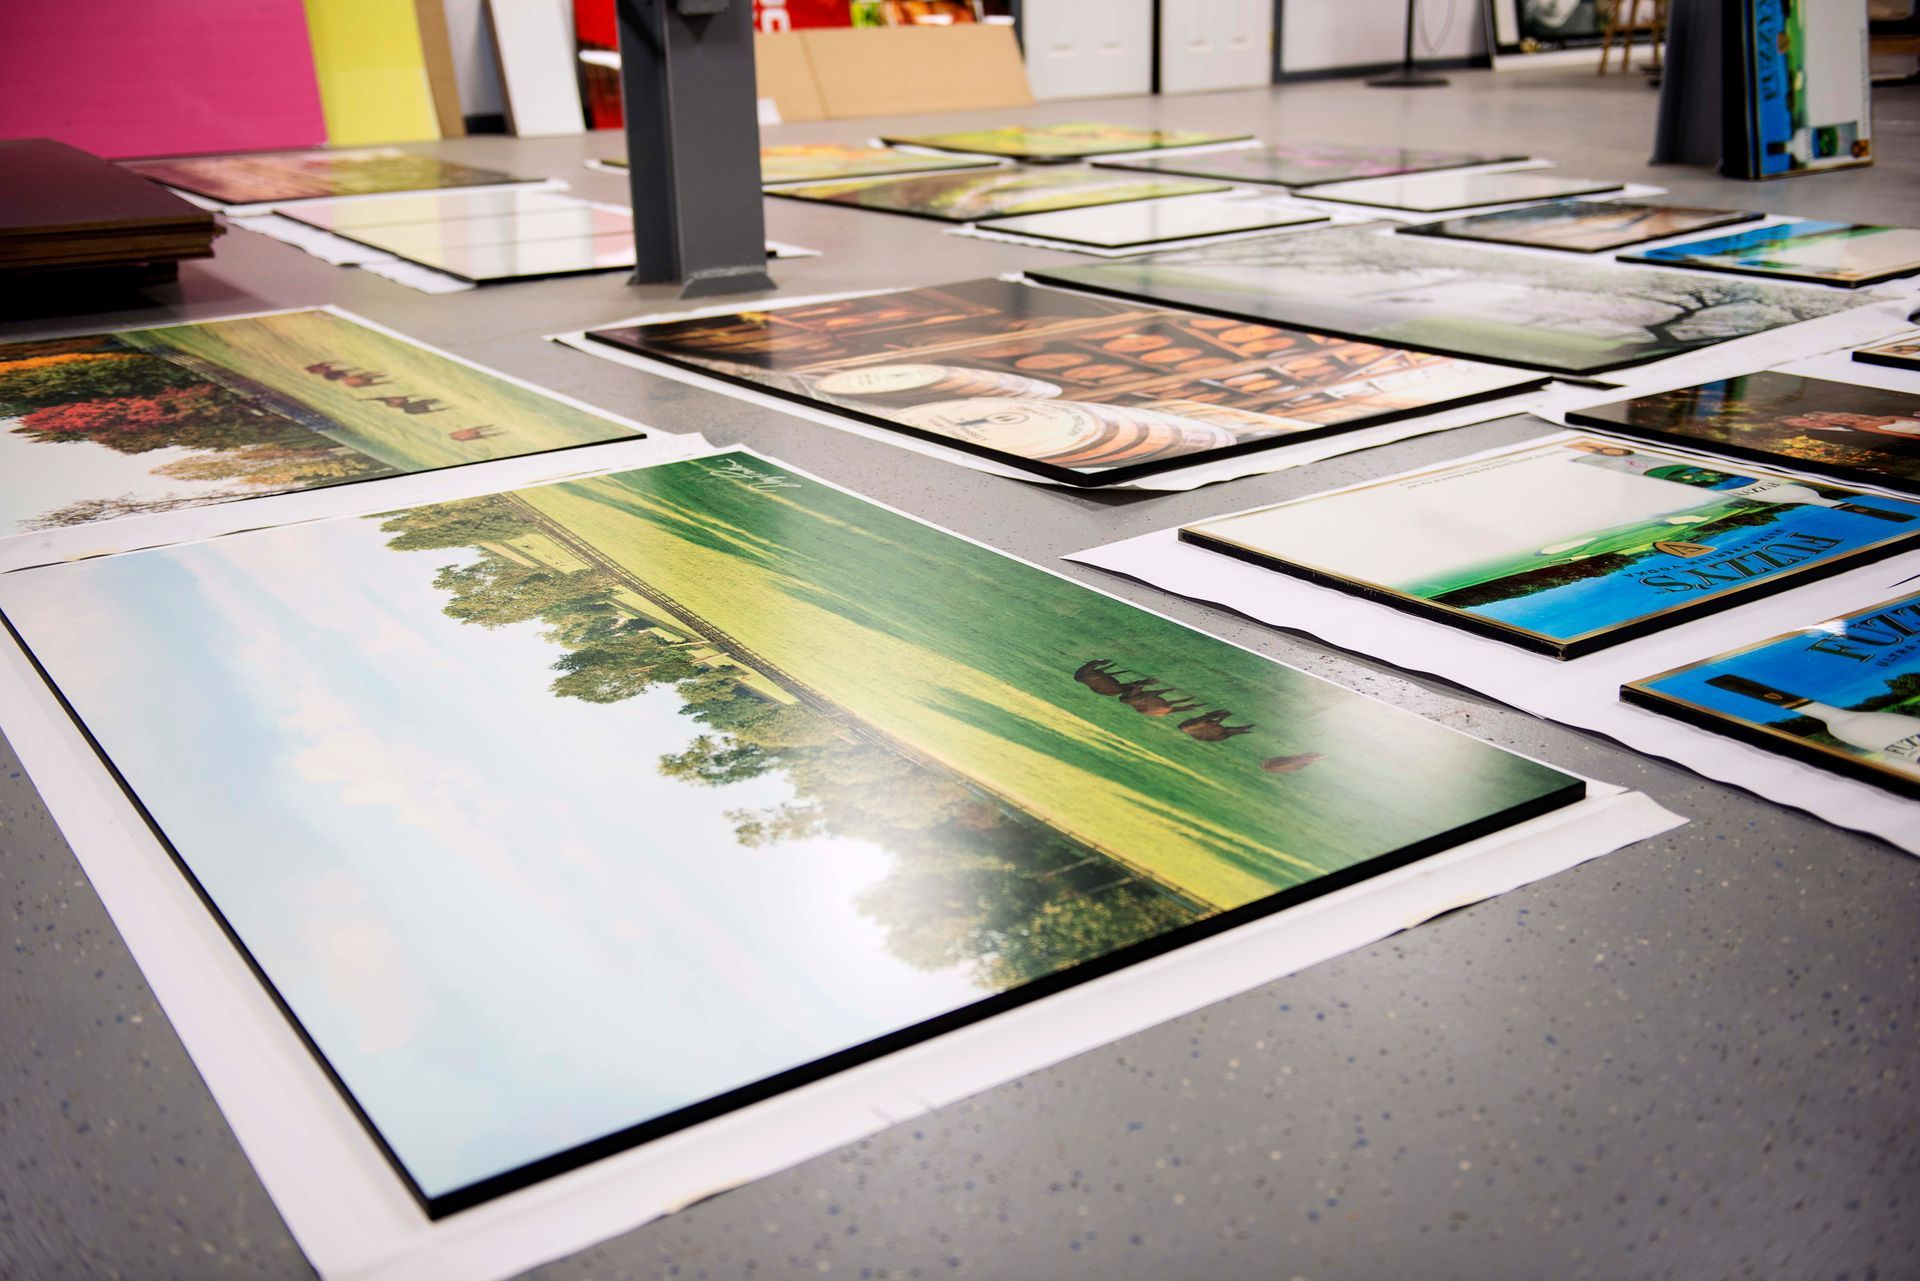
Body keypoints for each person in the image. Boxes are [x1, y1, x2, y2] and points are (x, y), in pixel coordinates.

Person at [1776, 408, 1920, 444]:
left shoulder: (1878, 416)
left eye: (1804, 419)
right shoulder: (1816, 434)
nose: (1809, 423)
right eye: (1802, 424)